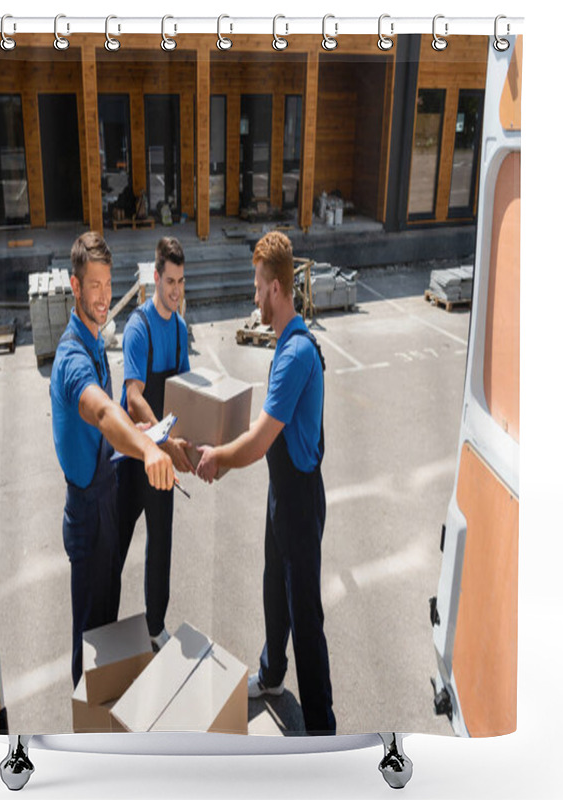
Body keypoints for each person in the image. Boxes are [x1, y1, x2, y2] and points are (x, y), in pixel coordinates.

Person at [196, 231, 336, 735]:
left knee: (305, 617)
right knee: (273, 590)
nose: (253, 296)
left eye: (258, 287)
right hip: (284, 497)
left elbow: (257, 443)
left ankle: (322, 730)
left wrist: (217, 460)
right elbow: (261, 430)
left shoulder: (296, 353)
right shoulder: (286, 343)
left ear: (276, 288)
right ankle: (273, 675)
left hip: (298, 502)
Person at [50, 231, 174, 688]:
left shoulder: (96, 340)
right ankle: (86, 734)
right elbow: (101, 410)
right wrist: (144, 448)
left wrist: (140, 432)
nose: (104, 297)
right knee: (90, 641)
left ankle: (103, 718)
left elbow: (112, 418)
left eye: (108, 284)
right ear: (75, 286)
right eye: (94, 286)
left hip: (107, 493)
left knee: (107, 627)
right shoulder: (71, 359)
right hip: (86, 509)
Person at [116, 236, 194, 651]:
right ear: (155, 277)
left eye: (181, 282)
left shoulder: (180, 330)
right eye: (170, 282)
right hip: (133, 453)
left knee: (160, 540)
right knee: (117, 540)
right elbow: (133, 396)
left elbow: (184, 392)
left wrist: (191, 442)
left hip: (161, 455)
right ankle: (103, 626)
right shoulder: (138, 328)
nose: (176, 291)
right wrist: (162, 438)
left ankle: (154, 625)